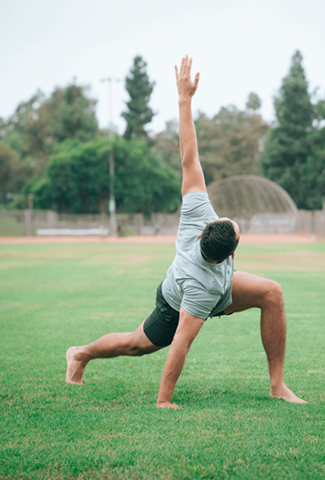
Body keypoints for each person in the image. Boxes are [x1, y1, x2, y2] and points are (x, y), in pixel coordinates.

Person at [66, 55, 306, 407]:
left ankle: (277, 385)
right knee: (137, 344)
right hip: (178, 299)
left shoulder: (198, 212)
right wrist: (164, 400)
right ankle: (81, 354)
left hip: (218, 288)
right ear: (231, 252)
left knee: (272, 292)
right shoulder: (200, 287)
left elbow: (189, 157)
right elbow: (181, 342)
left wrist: (184, 99)